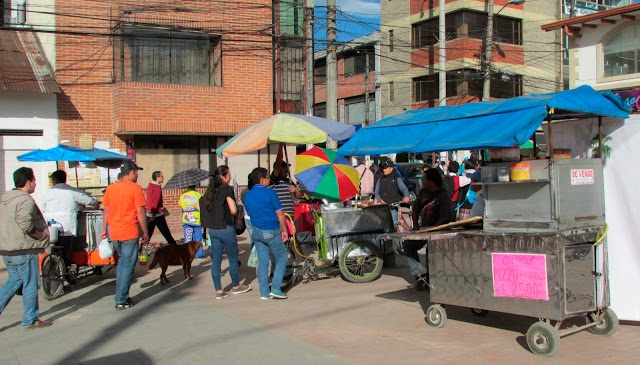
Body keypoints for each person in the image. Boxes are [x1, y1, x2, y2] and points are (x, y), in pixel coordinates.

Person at [0, 167, 52, 329]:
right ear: (28, 182)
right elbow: (25, 223)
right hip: (23, 249)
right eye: (34, 180)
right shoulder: (25, 200)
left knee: (14, 281)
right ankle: (30, 319)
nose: (36, 184)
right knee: (30, 284)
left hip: (7, 248)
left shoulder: (6, 198)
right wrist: (39, 235)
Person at [101, 161, 149, 309]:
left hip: (114, 232)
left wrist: (104, 229)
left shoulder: (111, 188)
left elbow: (106, 211)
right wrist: (145, 232)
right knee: (127, 266)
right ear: (132, 172)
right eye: (136, 172)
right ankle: (121, 299)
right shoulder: (135, 188)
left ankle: (121, 295)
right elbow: (140, 211)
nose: (137, 175)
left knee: (122, 264)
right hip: (129, 231)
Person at [197, 165, 251, 300]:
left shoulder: (209, 191)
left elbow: (198, 205)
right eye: (228, 174)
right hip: (226, 228)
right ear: (222, 176)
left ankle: (219, 291)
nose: (231, 176)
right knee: (233, 258)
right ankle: (236, 286)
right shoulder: (227, 189)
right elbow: (233, 210)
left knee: (216, 260)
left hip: (213, 230)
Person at [244, 167, 289, 300]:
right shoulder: (270, 193)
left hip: (256, 232)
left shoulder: (248, 195)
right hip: (271, 230)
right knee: (282, 257)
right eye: (268, 177)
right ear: (262, 179)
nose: (269, 179)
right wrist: (284, 230)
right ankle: (275, 288)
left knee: (263, 261)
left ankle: (264, 292)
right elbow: (280, 213)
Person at [403, 169, 453, 290]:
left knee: (433, 254)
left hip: (439, 231)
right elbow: (415, 210)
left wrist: (434, 230)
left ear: (431, 181)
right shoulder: (423, 192)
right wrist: (415, 226)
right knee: (408, 245)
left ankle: (437, 279)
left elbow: (445, 217)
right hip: (423, 230)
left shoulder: (444, 196)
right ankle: (421, 274)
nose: (422, 179)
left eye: (424, 178)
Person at [43, 170, 99, 236]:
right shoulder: (73, 191)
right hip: (68, 229)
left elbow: (43, 209)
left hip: (52, 229)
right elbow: (90, 201)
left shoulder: (47, 193)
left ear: (54, 180)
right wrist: (96, 203)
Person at [145, 171, 177, 245]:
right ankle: (174, 247)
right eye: (161, 176)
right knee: (166, 233)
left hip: (150, 213)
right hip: (156, 214)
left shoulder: (150, 186)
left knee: (148, 234)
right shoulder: (156, 187)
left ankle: (142, 251)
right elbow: (155, 201)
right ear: (157, 178)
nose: (163, 178)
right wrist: (153, 214)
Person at [179, 185, 205, 258]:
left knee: (188, 238)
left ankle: (187, 254)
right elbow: (201, 206)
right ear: (195, 186)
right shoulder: (198, 194)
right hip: (197, 220)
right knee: (198, 238)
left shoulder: (183, 195)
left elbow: (180, 204)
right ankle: (199, 255)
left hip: (186, 219)